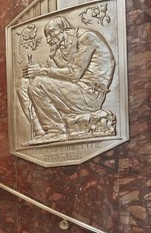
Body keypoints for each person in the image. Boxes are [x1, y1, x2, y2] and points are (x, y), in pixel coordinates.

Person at [19, 16, 116, 144]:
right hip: (73, 91)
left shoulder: (87, 38)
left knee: (38, 84)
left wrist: (42, 70)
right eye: (47, 36)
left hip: (90, 94)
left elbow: (74, 74)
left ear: (64, 29)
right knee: (23, 84)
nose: (48, 40)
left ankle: (56, 131)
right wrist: (36, 70)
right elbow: (53, 75)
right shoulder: (59, 48)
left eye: (51, 33)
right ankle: (40, 132)